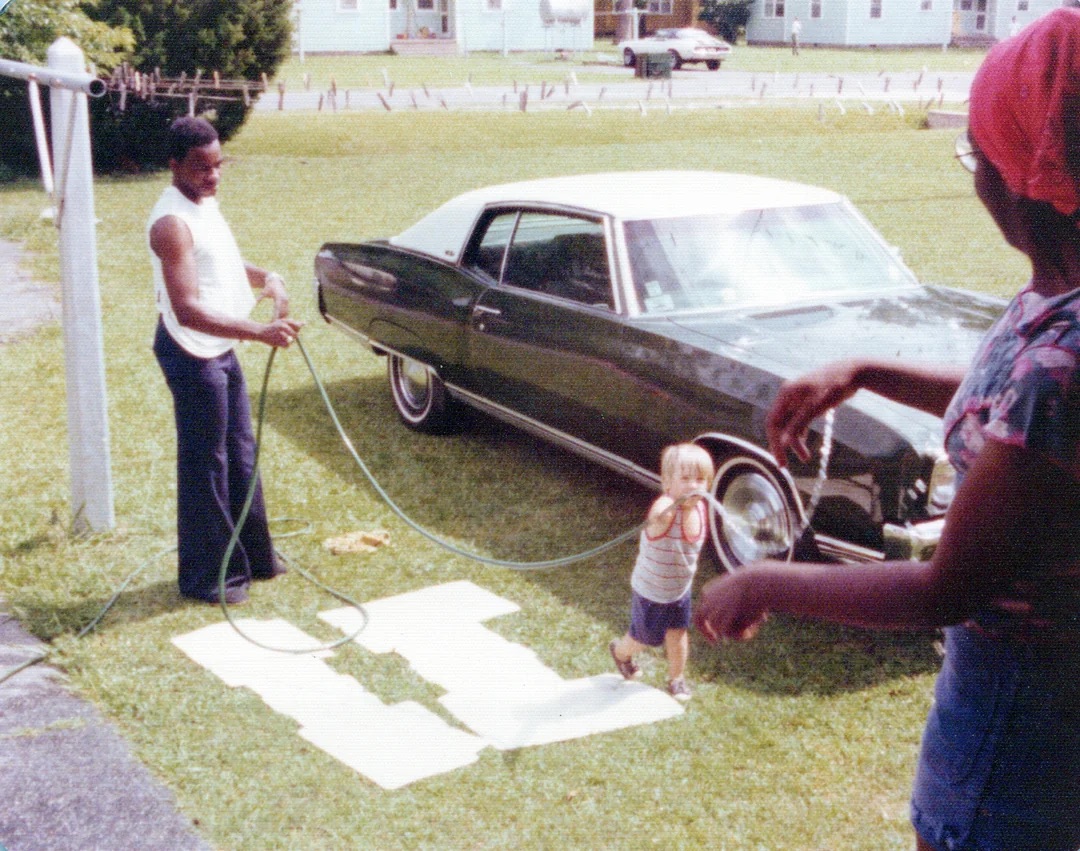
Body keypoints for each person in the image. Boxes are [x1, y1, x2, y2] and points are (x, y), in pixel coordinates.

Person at [695, 10, 1080, 850]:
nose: (975, 178)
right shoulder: (1057, 304)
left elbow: (943, 590)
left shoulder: (1066, 362)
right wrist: (868, 370)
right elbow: (1014, 411)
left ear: (1026, 178)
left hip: (1015, 735)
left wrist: (765, 581)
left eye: (978, 154)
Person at [149, 116, 303, 605]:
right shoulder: (171, 224)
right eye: (202, 167)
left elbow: (220, 260)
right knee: (206, 463)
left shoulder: (204, 203)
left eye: (218, 165)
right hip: (191, 351)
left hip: (220, 346)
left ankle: (254, 559)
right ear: (175, 165)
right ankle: (209, 578)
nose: (213, 176)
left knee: (239, 452)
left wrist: (267, 277)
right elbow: (187, 309)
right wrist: (260, 332)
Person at [610, 444, 715, 702]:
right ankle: (620, 653)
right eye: (685, 478)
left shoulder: (700, 508)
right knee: (643, 638)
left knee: (678, 633)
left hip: (679, 590)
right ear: (667, 483)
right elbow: (658, 513)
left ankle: (676, 679)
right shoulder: (666, 508)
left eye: (700, 479)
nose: (694, 485)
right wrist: (663, 510)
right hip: (651, 590)